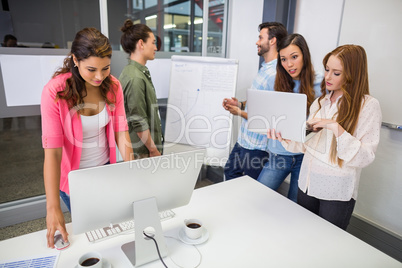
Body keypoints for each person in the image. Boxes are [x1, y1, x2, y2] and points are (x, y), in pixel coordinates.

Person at [269, 44, 381, 230]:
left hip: (336, 193)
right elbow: (306, 146)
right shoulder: (321, 102)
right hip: (307, 184)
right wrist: (284, 136)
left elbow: (365, 156)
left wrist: (335, 127)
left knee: (327, 245)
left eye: (336, 73)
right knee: (304, 235)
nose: (327, 77)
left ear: (353, 74)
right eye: (327, 69)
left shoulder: (368, 105)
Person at [41, 27, 134, 248]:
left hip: (105, 170)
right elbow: (52, 154)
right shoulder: (55, 92)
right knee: (92, 237)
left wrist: (133, 173)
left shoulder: (112, 86)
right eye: (91, 69)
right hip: (74, 181)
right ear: (75, 59)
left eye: (106, 68)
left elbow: (122, 132)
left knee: (113, 230)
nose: (100, 76)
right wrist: (52, 208)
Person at [256, 33, 322, 202]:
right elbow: (266, 114)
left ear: (304, 56)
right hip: (279, 153)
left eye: (294, 57)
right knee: (257, 197)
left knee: (296, 205)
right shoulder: (276, 80)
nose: (289, 64)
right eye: (283, 59)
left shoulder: (321, 84)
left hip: (306, 155)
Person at [222, 22, 288, 180]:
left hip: (257, 146)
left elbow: (267, 117)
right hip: (244, 140)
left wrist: (239, 112)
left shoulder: (275, 74)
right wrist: (239, 104)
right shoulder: (265, 68)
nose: (257, 42)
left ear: (272, 41)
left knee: (254, 187)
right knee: (230, 172)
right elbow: (257, 102)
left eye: (260, 38)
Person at [119, 19, 163, 159]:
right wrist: (153, 150)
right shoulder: (135, 77)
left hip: (143, 148)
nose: (156, 48)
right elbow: (138, 120)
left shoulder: (136, 72)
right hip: (142, 151)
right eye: (153, 42)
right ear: (141, 44)